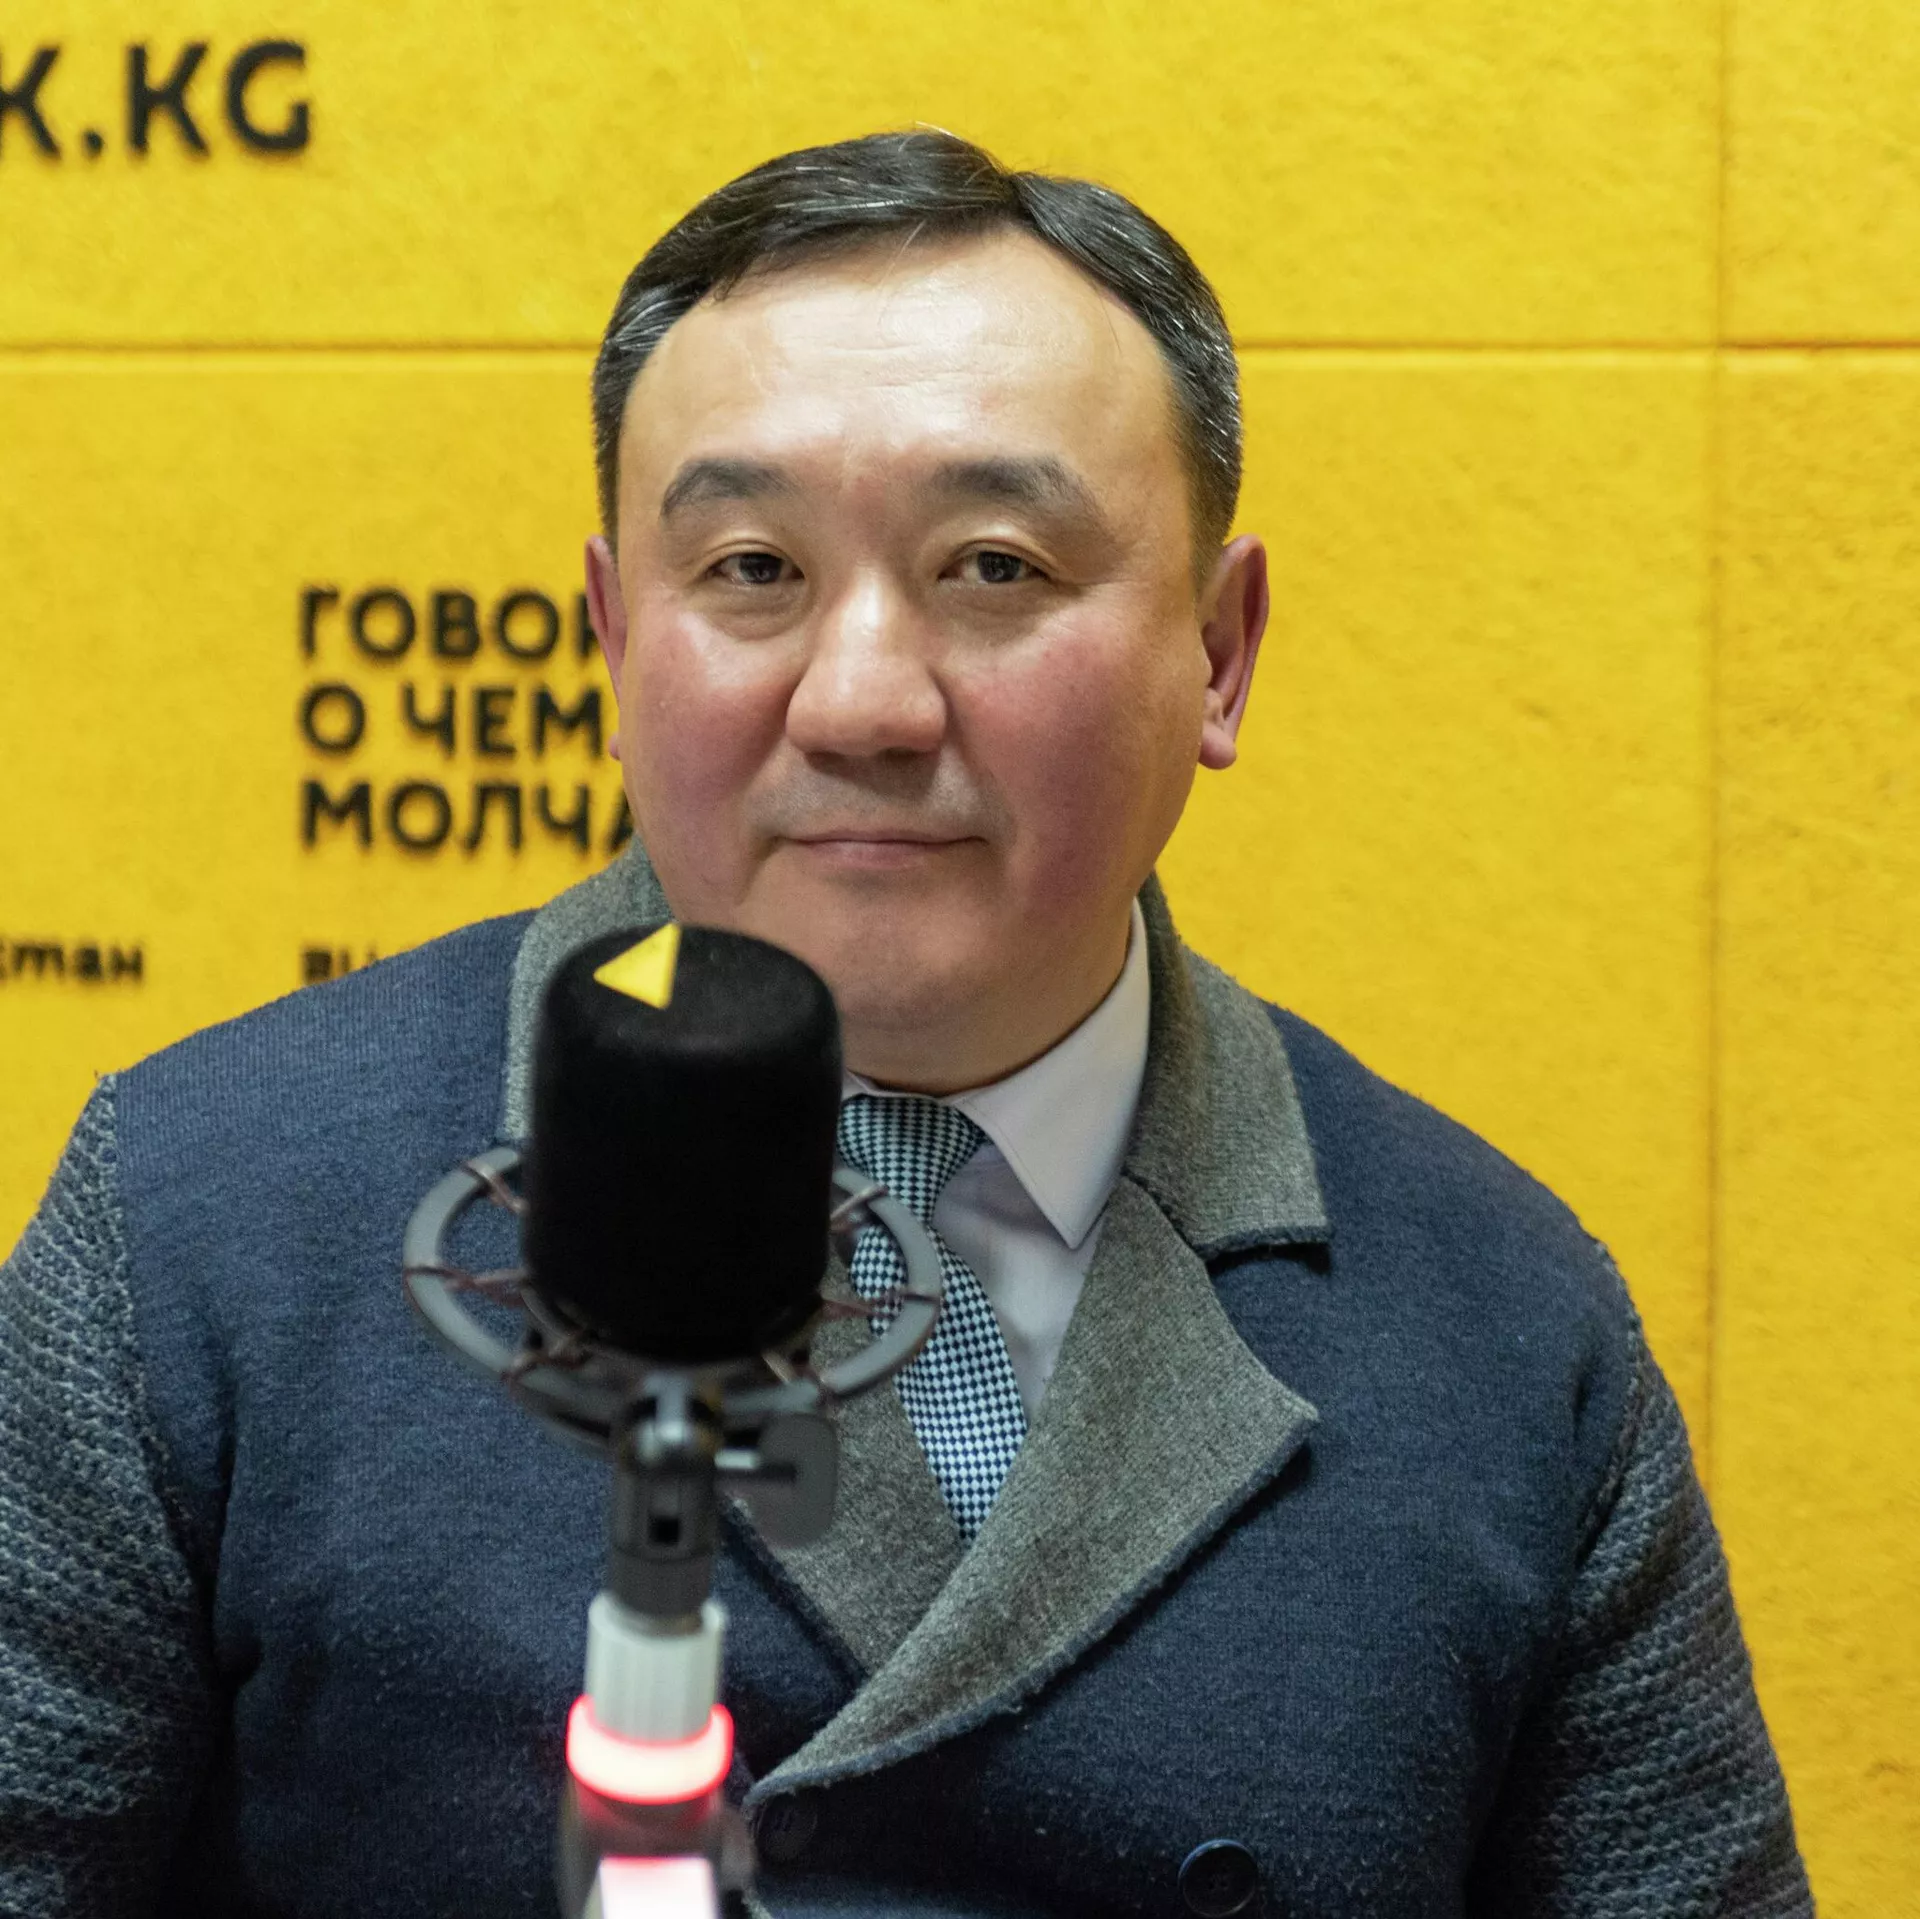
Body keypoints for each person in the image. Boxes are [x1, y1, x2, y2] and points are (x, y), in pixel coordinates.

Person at [0, 131, 1809, 1918]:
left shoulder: (1506, 1326)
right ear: (616, 638)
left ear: (1220, 650)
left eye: (994, 568)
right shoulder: (199, 1227)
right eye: (752, 571)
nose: (862, 702)